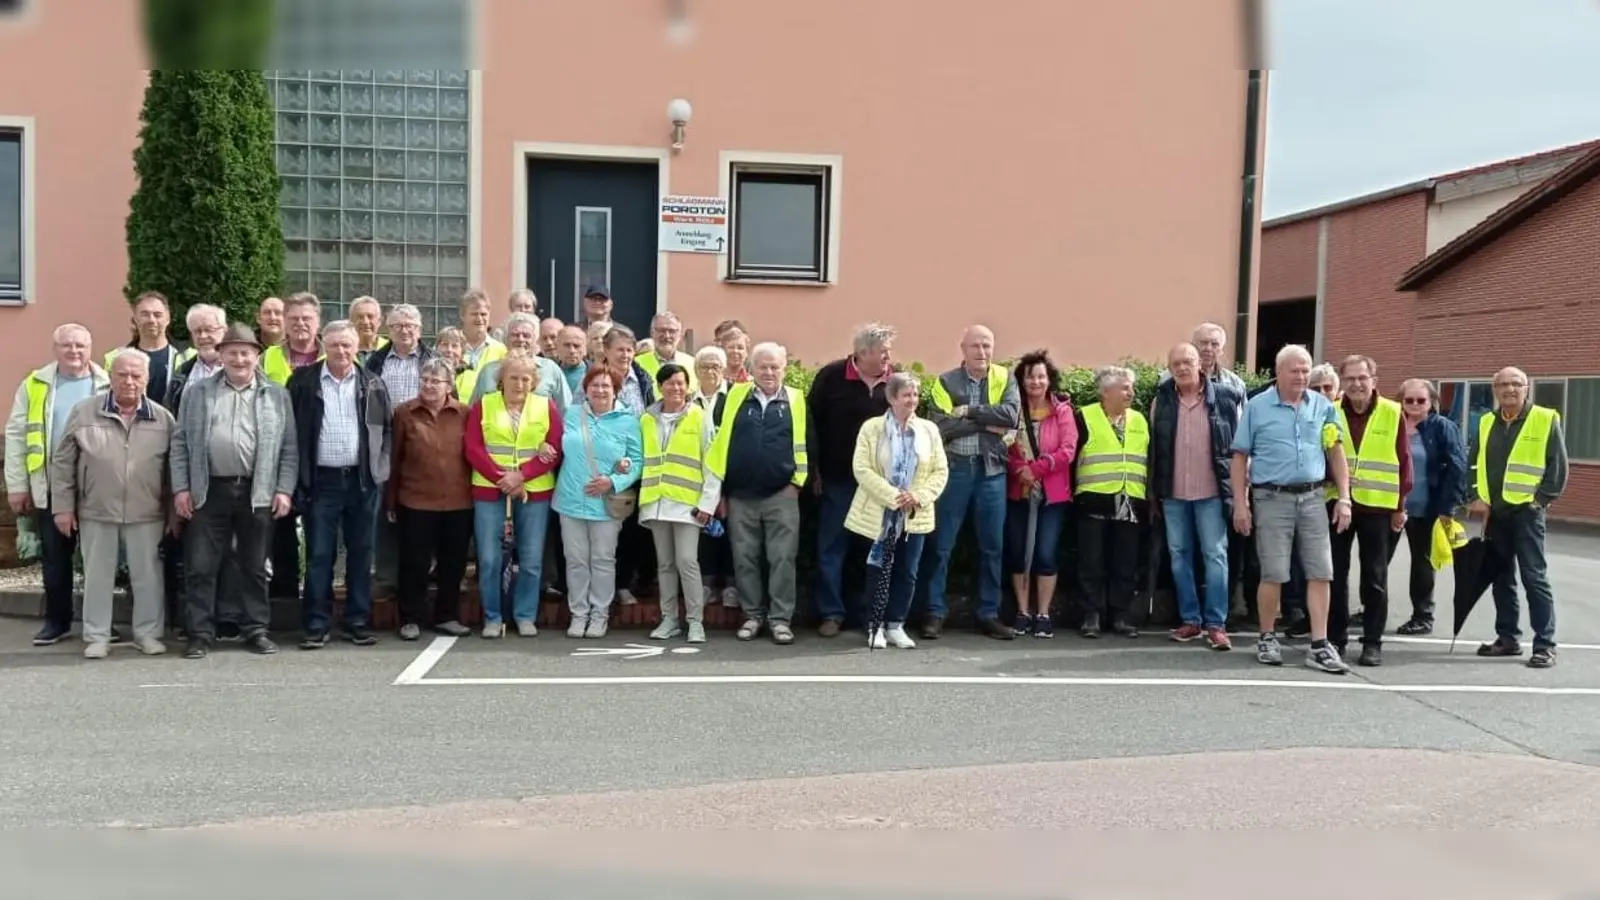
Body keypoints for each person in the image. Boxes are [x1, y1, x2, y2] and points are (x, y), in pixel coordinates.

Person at [170, 324, 297, 659]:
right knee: (201, 564)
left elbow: (288, 448)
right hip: (209, 489)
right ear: (221, 355)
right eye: (232, 352)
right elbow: (180, 442)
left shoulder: (276, 395)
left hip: (257, 490)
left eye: (246, 352)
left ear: (257, 356)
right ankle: (200, 632)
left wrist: (283, 489)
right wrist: (181, 488)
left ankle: (255, 628)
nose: (239, 358)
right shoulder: (198, 393)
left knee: (254, 564)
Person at [1231, 343, 1352, 674]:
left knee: (1321, 571)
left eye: (1305, 370)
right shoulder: (1257, 407)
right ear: (1278, 371)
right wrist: (1241, 504)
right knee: (1274, 572)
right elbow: (1240, 456)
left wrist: (1344, 497)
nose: (1301, 376)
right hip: (1271, 498)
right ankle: (1267, 637)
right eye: (1294, 370)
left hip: (1313, 498)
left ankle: (1319, 644)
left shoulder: (1324, 407)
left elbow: (1335, 452)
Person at [49, 350, 176, 658]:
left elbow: (174, 471)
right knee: (97, 576)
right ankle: (96, 636)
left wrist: (173, 514)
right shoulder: (85, 412)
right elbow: (63, 462)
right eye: (122, 375)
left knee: (147, 577)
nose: (129, 381)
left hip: (147, 511)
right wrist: (63, 507)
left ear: (146, 379)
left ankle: (147, 634)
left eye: (136, 375)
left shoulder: (163, 418)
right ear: (111, 377)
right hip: (97, 508)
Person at [286, 320, 393, 650]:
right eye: (335, 345)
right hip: (322, 481)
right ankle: (316, 624)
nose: (341, 351)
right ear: (324, 345)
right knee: (319, 555)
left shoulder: (373, 383)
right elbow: (292, 433)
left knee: (362, 554)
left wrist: (380, 468)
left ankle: (356, 622)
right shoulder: (302, 382)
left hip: (362, 481)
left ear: (357, 346)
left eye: (347, 345)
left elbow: (386, 431)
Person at [5, 323, 111, 646]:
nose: (74, 351)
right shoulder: (36, 384)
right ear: (55, 349)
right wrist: (17, 486)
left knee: (99, 561)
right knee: (55, 561)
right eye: (67, 345)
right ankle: (57, 621)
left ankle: (101, 622)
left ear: (90, 348)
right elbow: (16, 434)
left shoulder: (107, 383)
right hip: (51, 486)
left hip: (97, 488)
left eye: (80, 345)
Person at [706, 342, 810, 645]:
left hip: (782, 494)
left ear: (784, 369)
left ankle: (780, 620)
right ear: (752, 369)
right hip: (740, 495)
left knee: (782, 559)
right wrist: (721, 493)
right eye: (762, 366)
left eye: (774, 366)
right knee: (744, 558)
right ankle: (752, 616)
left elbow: (807, 444)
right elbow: (720, 445)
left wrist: (796, 484)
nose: (768, 372)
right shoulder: (735, 397)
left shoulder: (796, 400)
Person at [1468, 366, 1568, 669]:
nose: (1509, 389)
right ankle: (1508, 638)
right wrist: (1476, 497)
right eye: (1503, 384)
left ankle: (1545, 645)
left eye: (1516, 384)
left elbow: (1558, 468)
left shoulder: (1545, 418)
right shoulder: (1486, 421)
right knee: (1501, 578)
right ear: (1494, 389)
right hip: (1495, 512)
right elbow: (1475, 462)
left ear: (1526, 389)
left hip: (1527, 513)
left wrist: (1540, 502)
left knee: (1534, 577)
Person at [923, 324, 1018, 640]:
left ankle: (988, 614)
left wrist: (970, 412)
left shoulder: (1005, 378)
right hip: (956, 470)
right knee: (942, 546)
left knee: (992, 547)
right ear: (962, 348)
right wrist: (984, 425)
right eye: (975, 346)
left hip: (991, 472)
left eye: (987, 346)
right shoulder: (945, 382)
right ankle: (935, 613)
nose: (982, 352)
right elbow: (941, 426)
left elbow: (1010, 416)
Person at [846, 372, 948, 649]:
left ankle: (896, 625)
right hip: (881, 511)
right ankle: (874, 625)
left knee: (908, 571)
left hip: (914, 513)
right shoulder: (872, 428)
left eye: (915, 395)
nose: (912, 400)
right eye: (906, 395)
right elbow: (862, 468)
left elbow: (940, 471)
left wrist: (918, 496)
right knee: (878, 568)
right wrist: (894, 496)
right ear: (892, 398)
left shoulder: (929, 430)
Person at [806, 323, 896, 637]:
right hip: (837, 480)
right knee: (832, 548)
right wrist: (814, 469)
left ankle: (869, 615)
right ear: (862, 353)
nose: (888, 357)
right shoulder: (830, 377)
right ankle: (831, 614)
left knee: (873, 550)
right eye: (882, 351)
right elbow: (811, 425)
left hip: (879, 485)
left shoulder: (896, 381)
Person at [465, 349, 562, 638]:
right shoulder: (484, 405)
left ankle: (524, 615)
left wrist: (522, 476)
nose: (519, 384)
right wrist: (502, 479)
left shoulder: (546, 407)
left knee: (531, 559)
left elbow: (553, 449)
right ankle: (493, 617)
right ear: (501, 379)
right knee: (490, 558)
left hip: (534, 491)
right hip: (489, 488)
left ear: (533, 381)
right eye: (513, 378)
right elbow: (473, 447)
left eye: (525, 379)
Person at [1151, 343, 1241, 650]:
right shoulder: (1161, 399)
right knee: (1179, 555)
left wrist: (1240, 491)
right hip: (1173, 493)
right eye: (1175, 363)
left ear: (1199, 364)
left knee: (1215, 556)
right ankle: (1191, 620)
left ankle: (1216, 624)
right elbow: (1155, 451)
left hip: (1212, 493)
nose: (1181, 368)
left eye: (1187, 361)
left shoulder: (1226, 398)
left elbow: (1239, 449)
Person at [1328, 355, 1412, 667]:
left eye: (1362, 378)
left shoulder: (1392, 412)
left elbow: (1404, 460)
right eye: (1350, 379)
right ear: (1342, 382)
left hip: (1379, 505)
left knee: (1375, 577)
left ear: (1373, 380)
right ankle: (1335, 639)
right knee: (1335, 575)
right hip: (1338, 503)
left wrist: (1400, 506)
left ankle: (1372, 642)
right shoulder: (1331, 410)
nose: (1356, 384)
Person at [387, 358, 475, 640]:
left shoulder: (465, 413)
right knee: (414, 562)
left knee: (453, 563)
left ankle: (446, 616)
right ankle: (410, 618)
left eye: (435, 381)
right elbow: (394, 459)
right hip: (415, 501)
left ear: (449, 386)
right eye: (425, 379)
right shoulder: (404, 413)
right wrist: (391, 500)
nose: (428, 385)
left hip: (459, 502)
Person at [553, 366, 643, 639]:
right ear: (586, 389)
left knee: (603, 560)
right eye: (595, 385)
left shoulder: (628, 421)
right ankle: (579, 614)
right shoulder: (571, 414)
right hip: (570, 500)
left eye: (606, 386)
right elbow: (555, 446)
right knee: (576, 560)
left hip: (605, 503)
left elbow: (637, 461)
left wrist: (613, 481)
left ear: (616, 390)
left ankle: (600, 615)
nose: (600, 390)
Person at [639, 363, 720, 644]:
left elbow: (712, 462)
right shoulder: (647, 418)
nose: (676, 388)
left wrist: (708, 503)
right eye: (670, 383)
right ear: (660, 386)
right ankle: (669, 618)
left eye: (681, 383)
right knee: (665, 564)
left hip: (688, 504)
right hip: (656, 501)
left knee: (687, 562)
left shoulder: (699, 416)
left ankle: (695, 621)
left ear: (688, 386)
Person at [1072, 366, 1148, 639]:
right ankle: (1091, 614)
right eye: (1125, 387)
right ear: (1106, 392)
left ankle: (1120, 615)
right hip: (1094, 497)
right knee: (1091, 560)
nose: (1131, 392)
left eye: (1131, 387)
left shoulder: (1139, 419)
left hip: (1130, 499)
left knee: (1125, 561)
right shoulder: (1085, 416)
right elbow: (1073, 456)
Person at [1005, 351, 1077, 638]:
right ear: (1022, 380)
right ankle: (1023, 611)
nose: (1036, 381)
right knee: (1019, 551)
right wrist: (1020, 469)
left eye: (1041, 376)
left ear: (1049, 380)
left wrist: (1037, 468)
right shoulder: (1013, 410)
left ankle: (1044, 613)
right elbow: (1005, 448)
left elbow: (1068, 450)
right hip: (1018, 491)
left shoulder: (1062, 411)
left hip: (1052, 495)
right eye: (1030, 376)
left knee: (1045, 553)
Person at [1392, 378, 1468, 636]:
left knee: (1422, 564)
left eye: (1421, 400)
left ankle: (1422, 616)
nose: (1414, 405)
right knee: (1376, 562)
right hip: (1391, 507)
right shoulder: (1392, 424)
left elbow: (1457, 468)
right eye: (1408, 400)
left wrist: (1447, 509)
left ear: (1432, 402)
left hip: (1426, 508)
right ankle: (1371, 608)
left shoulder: (1442, 428)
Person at [261, 292, 323, 603]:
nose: (300, 324)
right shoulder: (268, 357)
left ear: (318, 322)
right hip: (277, 455)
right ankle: (284, 598)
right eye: (294, 318)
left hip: (319, 456)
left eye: (306, 319)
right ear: (284, 322)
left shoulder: (335, 355)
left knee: (319, 532)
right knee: (280, 528)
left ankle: (317, 599)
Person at [690, 345, 735, 608]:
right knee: (702, 534)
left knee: (729, 534)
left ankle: (730, 585)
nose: (710, 371)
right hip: (696, 480)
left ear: (724, 369)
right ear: (696, 371)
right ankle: (706, 584)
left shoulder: (734, 399)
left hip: (729, 480)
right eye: (705, 366)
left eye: (716, 366)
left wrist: (724, 491)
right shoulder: (688, 400)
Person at [104, 291, 194, 405]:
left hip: (172, 421)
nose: (151, 320)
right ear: (135, 319)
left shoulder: (189, 356)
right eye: (145, 314)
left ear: (168, 319)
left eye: (157, 315)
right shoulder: (115, 358)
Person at [469, 311, 571, 410]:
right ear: (505, 339)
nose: (521, 339)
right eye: (515, 335)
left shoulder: (550, 369)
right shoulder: (488, 371)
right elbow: (474, 410)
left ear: (535, 340)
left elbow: (566, 409)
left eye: (526, 335)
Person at [1159, 322, 1248, 394]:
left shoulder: (1235, 384)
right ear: (1192, 346)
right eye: (1204, 343)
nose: (1208, 349)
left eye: (1214, 344)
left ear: (1221, 351)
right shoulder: (1169, 378)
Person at [636, 312, 696, 379]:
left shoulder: (693, 364)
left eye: (672, 331)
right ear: (652, 333)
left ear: (679, 335)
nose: (667, 336)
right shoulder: (636, 364)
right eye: (662, 330)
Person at [457, 289, 506, 371]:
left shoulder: (501, 350)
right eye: (474, 314)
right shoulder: (450, 347)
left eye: (483, 314)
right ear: (462, 315)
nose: (479, 318)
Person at [432, 326, 478, 401]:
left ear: (462, 351)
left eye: (454, 346)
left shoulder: (474, 378)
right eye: (445, 344)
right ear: (437, 348)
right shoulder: (427, 375)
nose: (449, 350)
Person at [554, 324, 589, 398]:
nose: (572, 351)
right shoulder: (549, 373)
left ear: (585, 349)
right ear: (557, 347)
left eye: (577, 346)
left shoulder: (597, 374)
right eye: (567, 345)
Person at [348, 296, 388, 363]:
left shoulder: (391, 350)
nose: (365, 322)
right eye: (360, 317)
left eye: (370, 316)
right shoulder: (340, 351)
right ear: (351, 321)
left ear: (379, 321)